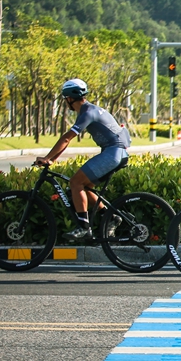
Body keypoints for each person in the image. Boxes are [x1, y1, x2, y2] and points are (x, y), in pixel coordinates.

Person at [34, 79, 131, 241]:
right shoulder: (93, 109)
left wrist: (47, 158)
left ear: (70, 98)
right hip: (118, 153)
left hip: (113, 152)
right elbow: (68, 140)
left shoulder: (88, 112)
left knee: (75, 182)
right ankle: (110, 216)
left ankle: (84, 228)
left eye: (65, 99)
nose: (66, 102)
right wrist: (52, 159)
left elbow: (67, 138)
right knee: (85, 186)